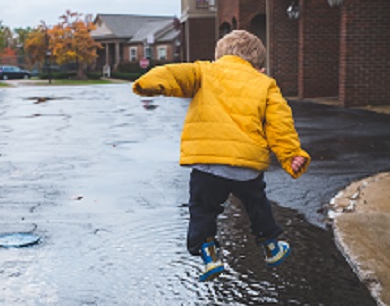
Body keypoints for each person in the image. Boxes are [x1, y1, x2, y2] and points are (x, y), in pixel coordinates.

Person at [132, 30, 310, 282]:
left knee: (203, 209)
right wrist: (291, 155)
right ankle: (271, 246)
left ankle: (209, 253)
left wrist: (148, 83)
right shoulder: (265, 84)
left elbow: (174, 74)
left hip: (208, 165)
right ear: (258, 64)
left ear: (220, 56)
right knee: (257, 205)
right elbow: (279, 124)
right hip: (245, 166)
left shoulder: (205, 71)